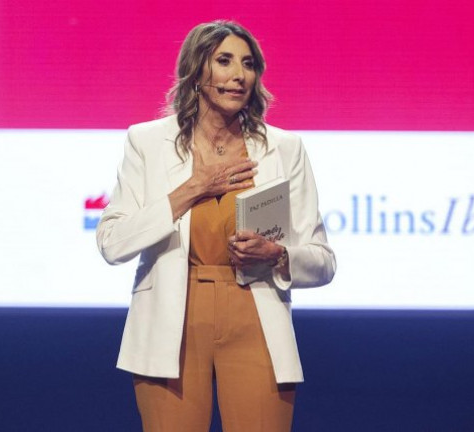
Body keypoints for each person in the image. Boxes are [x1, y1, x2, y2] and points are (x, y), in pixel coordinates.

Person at [96, 20, 336, 432]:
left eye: (248, 64)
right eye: (223, 61)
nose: (238, 75)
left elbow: (323, 261)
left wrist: (278, 255)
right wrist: (192, 189)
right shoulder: (147, 142)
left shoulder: (284, 148)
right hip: (172, 319)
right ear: (196, 70)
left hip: (255, 314)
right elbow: (112, 242)